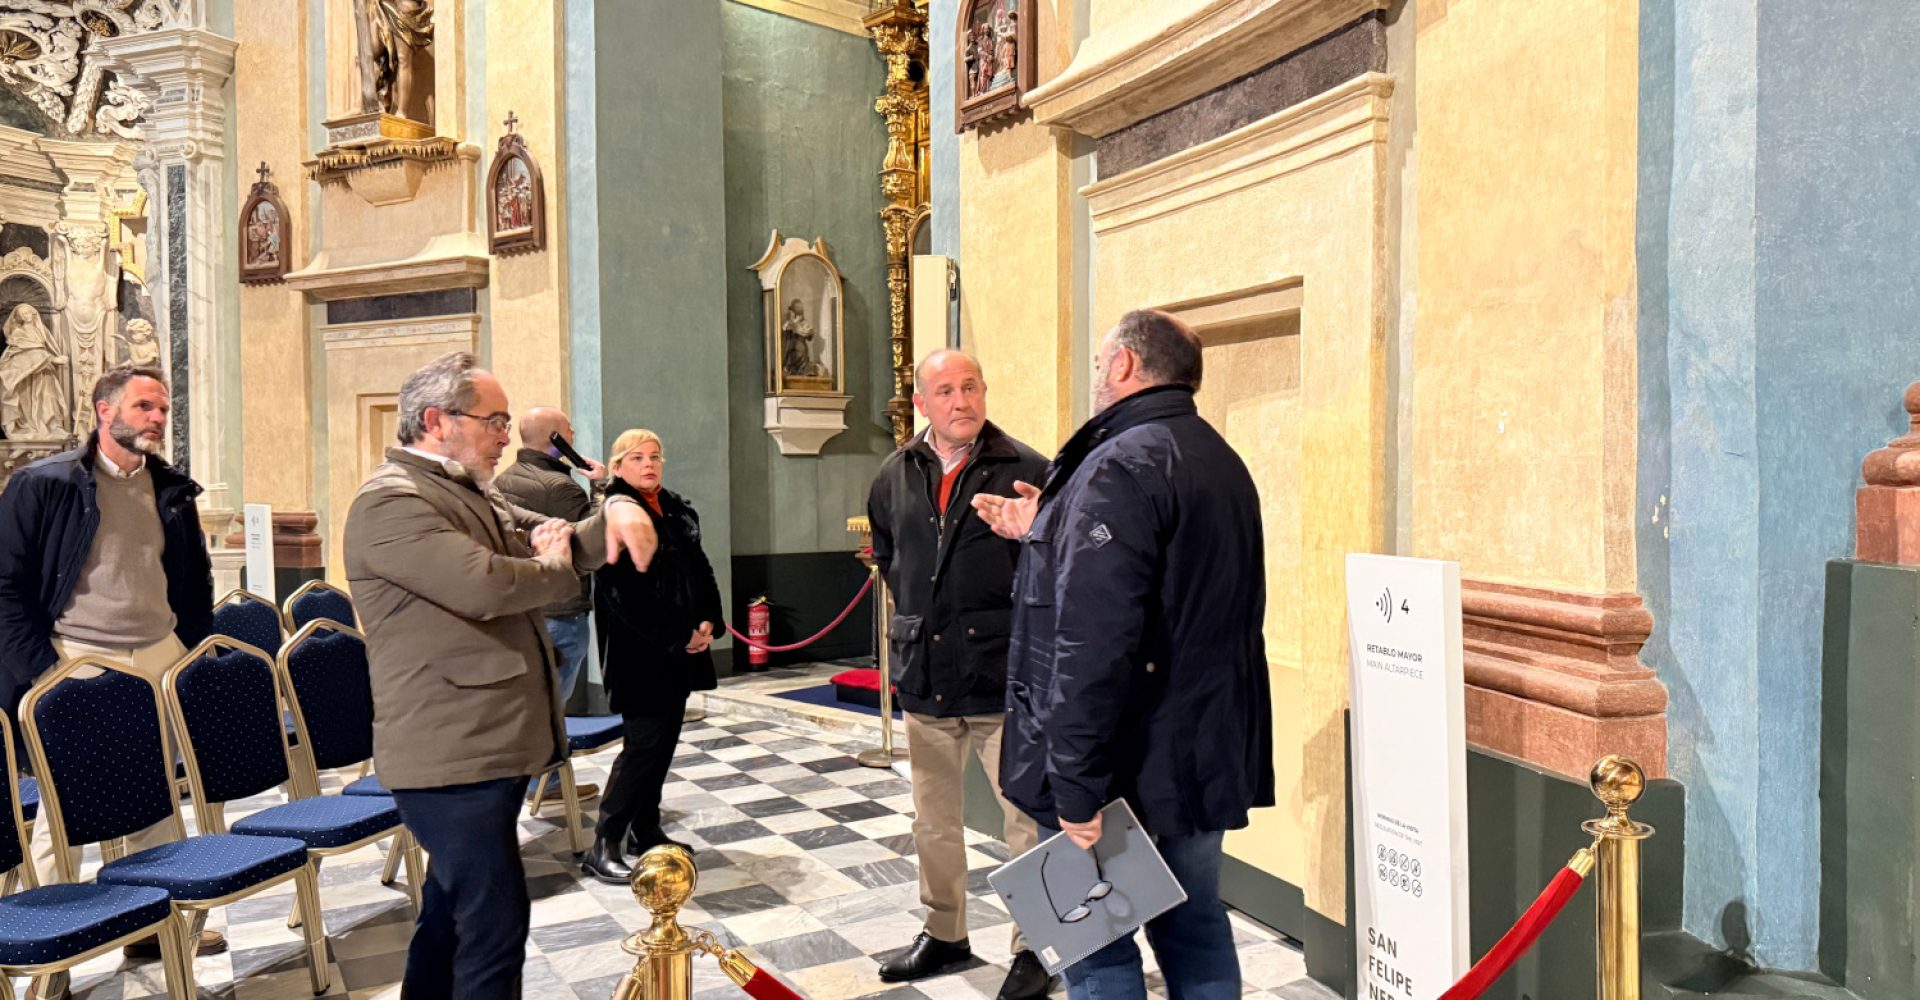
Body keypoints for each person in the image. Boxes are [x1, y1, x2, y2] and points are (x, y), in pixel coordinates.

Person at [974, 310, 1276, 1000]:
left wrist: (1075, 786)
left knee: (1097, 950)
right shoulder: (1214, 456)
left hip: (1125, 768)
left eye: (1100, 361)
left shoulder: (1118, 464)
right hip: (1201, 754)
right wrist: (1046, 529)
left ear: (1123, 367)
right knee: (1195, 925)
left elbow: (1092, 643)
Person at [343, 351, 657, 1000]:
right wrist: (559, 564)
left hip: (486, 740)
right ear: (436, 421)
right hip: (448, 748)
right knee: (493, 925)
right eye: (493, 420)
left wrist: (614, 516)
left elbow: (551, 533)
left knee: (448, 916)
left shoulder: (465, 490)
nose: (505, 436)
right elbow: (485, 585)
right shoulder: (390, 504)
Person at [0, 364, 222, 997]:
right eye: (146, 406)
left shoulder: (170, 488)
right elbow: (6, 585)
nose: (157, 418)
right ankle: (53, 947)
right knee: (65, 806)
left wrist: (191, 647)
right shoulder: (44, 484)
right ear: (105, 410)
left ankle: (152, 921)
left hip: (158, 651)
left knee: (156, 796)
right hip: (78, 655)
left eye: (163, 408)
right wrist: (44, 673)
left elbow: (194, 576)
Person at [868, 350, 1053, 999]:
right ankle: (945, 932)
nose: (961, 400)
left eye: (970, 386)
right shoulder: (895, 473)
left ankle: (1037, 945)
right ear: (922, 403)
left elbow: (1057, 563)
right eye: (945, 390)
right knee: (934, 819)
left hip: (1003, 676)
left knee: (1027, 819)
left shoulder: (1026, 468)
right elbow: (889, 558)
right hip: (926, 673)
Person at [581, 428, 724, 883]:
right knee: (642, 748)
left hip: (680, 648)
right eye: (637, 457)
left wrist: (707, 622)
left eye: (656, 456)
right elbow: (625, 594)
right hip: (639, 651)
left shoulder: (677, 508)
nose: (649, 464)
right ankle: (605, 841)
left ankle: (647, 829)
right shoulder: (616, 513)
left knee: (663, 745)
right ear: (618, 467)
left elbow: (701, 569)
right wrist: (678, 634)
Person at [494, 405, 610, 807]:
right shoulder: (561, 488)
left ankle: (537, 782)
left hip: (527, 604)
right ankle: (544, 785)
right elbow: (590, 544)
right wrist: (602, 489)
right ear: (556, 440)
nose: (575, 433)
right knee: (553, 705)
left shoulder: (503, 480)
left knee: (537, 700)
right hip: (563, 606)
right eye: (568, 430)